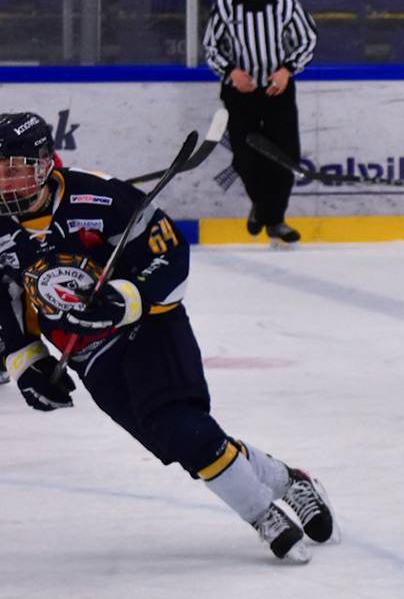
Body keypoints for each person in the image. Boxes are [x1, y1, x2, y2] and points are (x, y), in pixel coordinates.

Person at [0, 112, 334, 563]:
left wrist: (125, 297)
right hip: (87, 354)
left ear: (44, 163)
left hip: (148, 327)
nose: (5, 181)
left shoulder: (100, 199)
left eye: (15, 168)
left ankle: (262, 515)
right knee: (176, 443)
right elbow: (6, 298)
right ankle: (287, 480)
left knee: (181, 428)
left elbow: (170, 252)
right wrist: (28, 362)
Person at [202, 0, 317, 246]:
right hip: (240, 95)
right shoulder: (225, 6)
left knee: (285, 158)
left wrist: (287, 69)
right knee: (244, 158)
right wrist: (231, 72)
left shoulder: (286, 5)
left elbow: (308, 39)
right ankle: (266, 210)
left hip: (277, 92)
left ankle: (273, 220)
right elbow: (211, 47)